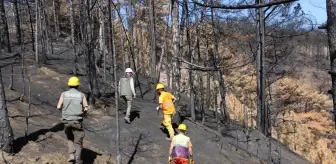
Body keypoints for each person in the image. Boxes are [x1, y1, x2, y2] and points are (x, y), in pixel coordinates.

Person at [56, 76, 89, 163]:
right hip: (77, 121)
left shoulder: (64, 94)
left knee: (70, 137)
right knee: (78, 142)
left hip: (66, 121)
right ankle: (78, 161)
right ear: (78, 85)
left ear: (69, 85)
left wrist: (65, 111)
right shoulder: (81, 95)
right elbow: (86, 108)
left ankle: (71, 155)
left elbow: (58, 107)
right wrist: (84, 114)